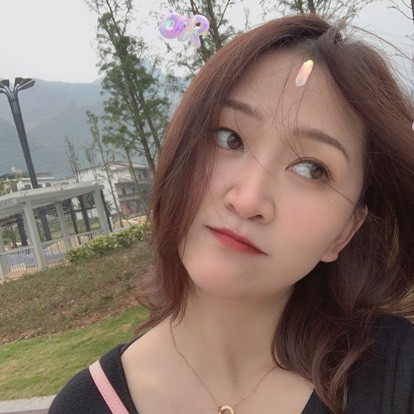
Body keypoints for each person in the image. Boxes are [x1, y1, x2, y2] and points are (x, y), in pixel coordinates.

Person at [49, 13, 414, 414]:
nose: (248, 200)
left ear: (345, 231)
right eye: (229, 138)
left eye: (312, 169)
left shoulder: (398, 376)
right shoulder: (85, 405)